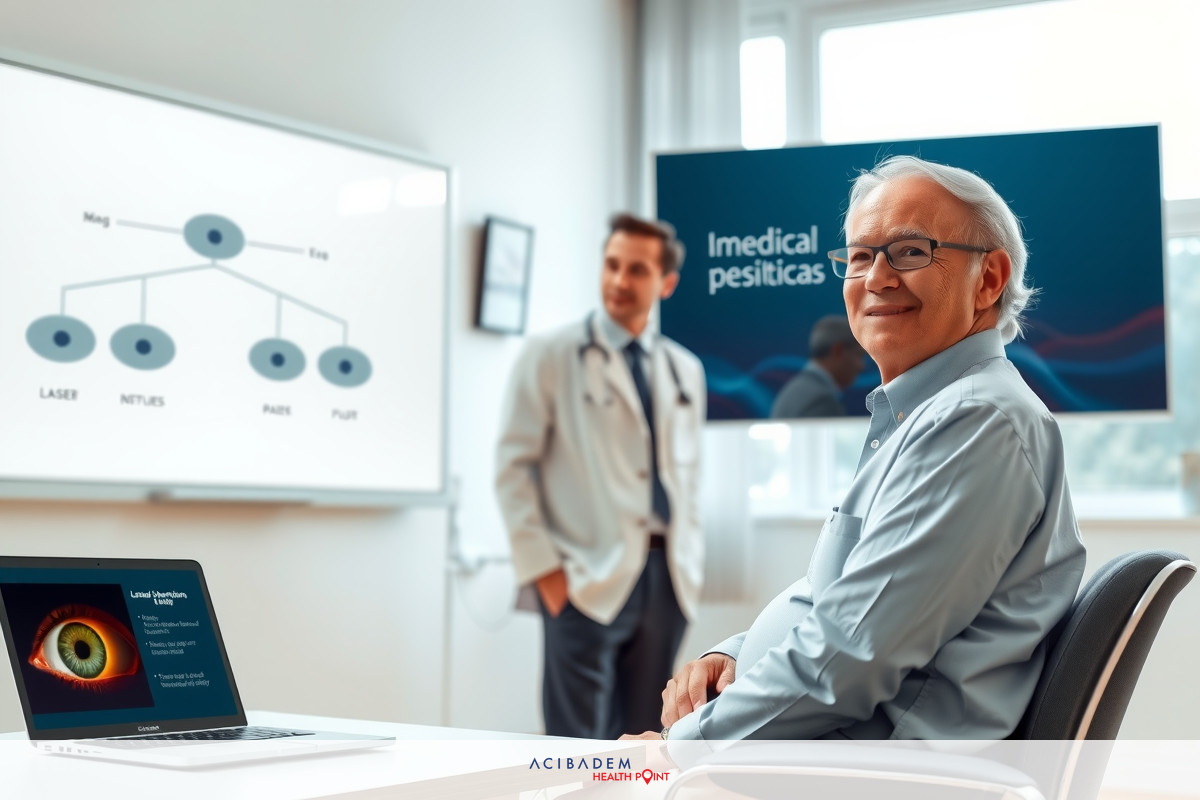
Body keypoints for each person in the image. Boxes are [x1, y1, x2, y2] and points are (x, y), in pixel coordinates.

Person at [623, 155, 1086, 742]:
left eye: (911, 252)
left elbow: (850, 657)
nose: (876, 279)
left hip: (866, 770)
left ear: (989, 280)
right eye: (861, 256)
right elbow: (840, 603)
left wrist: (677, 750)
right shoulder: (928, 413)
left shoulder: (975, 422)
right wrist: (737, 657)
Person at [496, 213, 706, 739]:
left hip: (667, 580)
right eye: (612, 265)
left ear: (666, 283)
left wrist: (690, 570)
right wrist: (544, 571)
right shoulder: (550, 355)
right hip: (584, 576)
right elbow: (513, 467)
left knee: (647, 741)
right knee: (579, 744)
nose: (618, 281)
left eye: (636, 270)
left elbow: (686, 478)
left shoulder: (685, 369)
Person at [770, 315, 866, 418]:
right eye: (859, 355)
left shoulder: (798, 389)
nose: (862, 367)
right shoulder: (821, 400)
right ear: (837, 350)